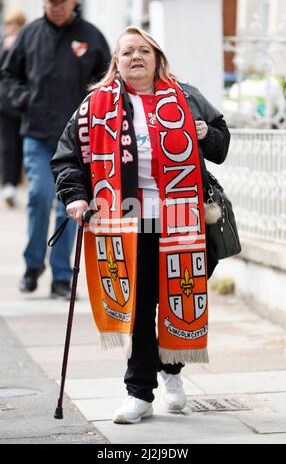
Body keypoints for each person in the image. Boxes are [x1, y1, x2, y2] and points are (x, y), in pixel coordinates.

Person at [51, 26, 230, 423]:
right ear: (116, 62)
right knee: (139, 308)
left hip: (183, 218)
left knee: (178, 298)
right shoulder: (96, 105)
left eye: (144, 51)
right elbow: (67, 158)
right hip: (127, 222)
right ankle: (139, 392)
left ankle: (171, 370)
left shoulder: (186, 97)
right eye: (127, 51)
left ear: (157, 58)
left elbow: (221, 144)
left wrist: (205, 133)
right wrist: (76, 197)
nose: (136, 57)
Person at [1, 0, 111, 298]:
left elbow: (108, 81)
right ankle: (32, 265)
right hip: (37, 134)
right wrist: (23, 99)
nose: (57, 6)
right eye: (52, 1)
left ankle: (62, 276)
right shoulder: (30, 33)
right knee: (38, 195)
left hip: (77, 140)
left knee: (69, 206)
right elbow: (9, 76)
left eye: (62, 0)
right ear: (44, 3)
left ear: (73, 1)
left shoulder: (91, 36)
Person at [0, 11, 26, 207]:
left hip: (25, 107)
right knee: (8, 147)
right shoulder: (3, 45)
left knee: (24, 148)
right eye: (9, 25)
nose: (11, 30)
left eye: (15, 26)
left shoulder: (27, 43)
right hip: (5, 106)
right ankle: (9, 185)